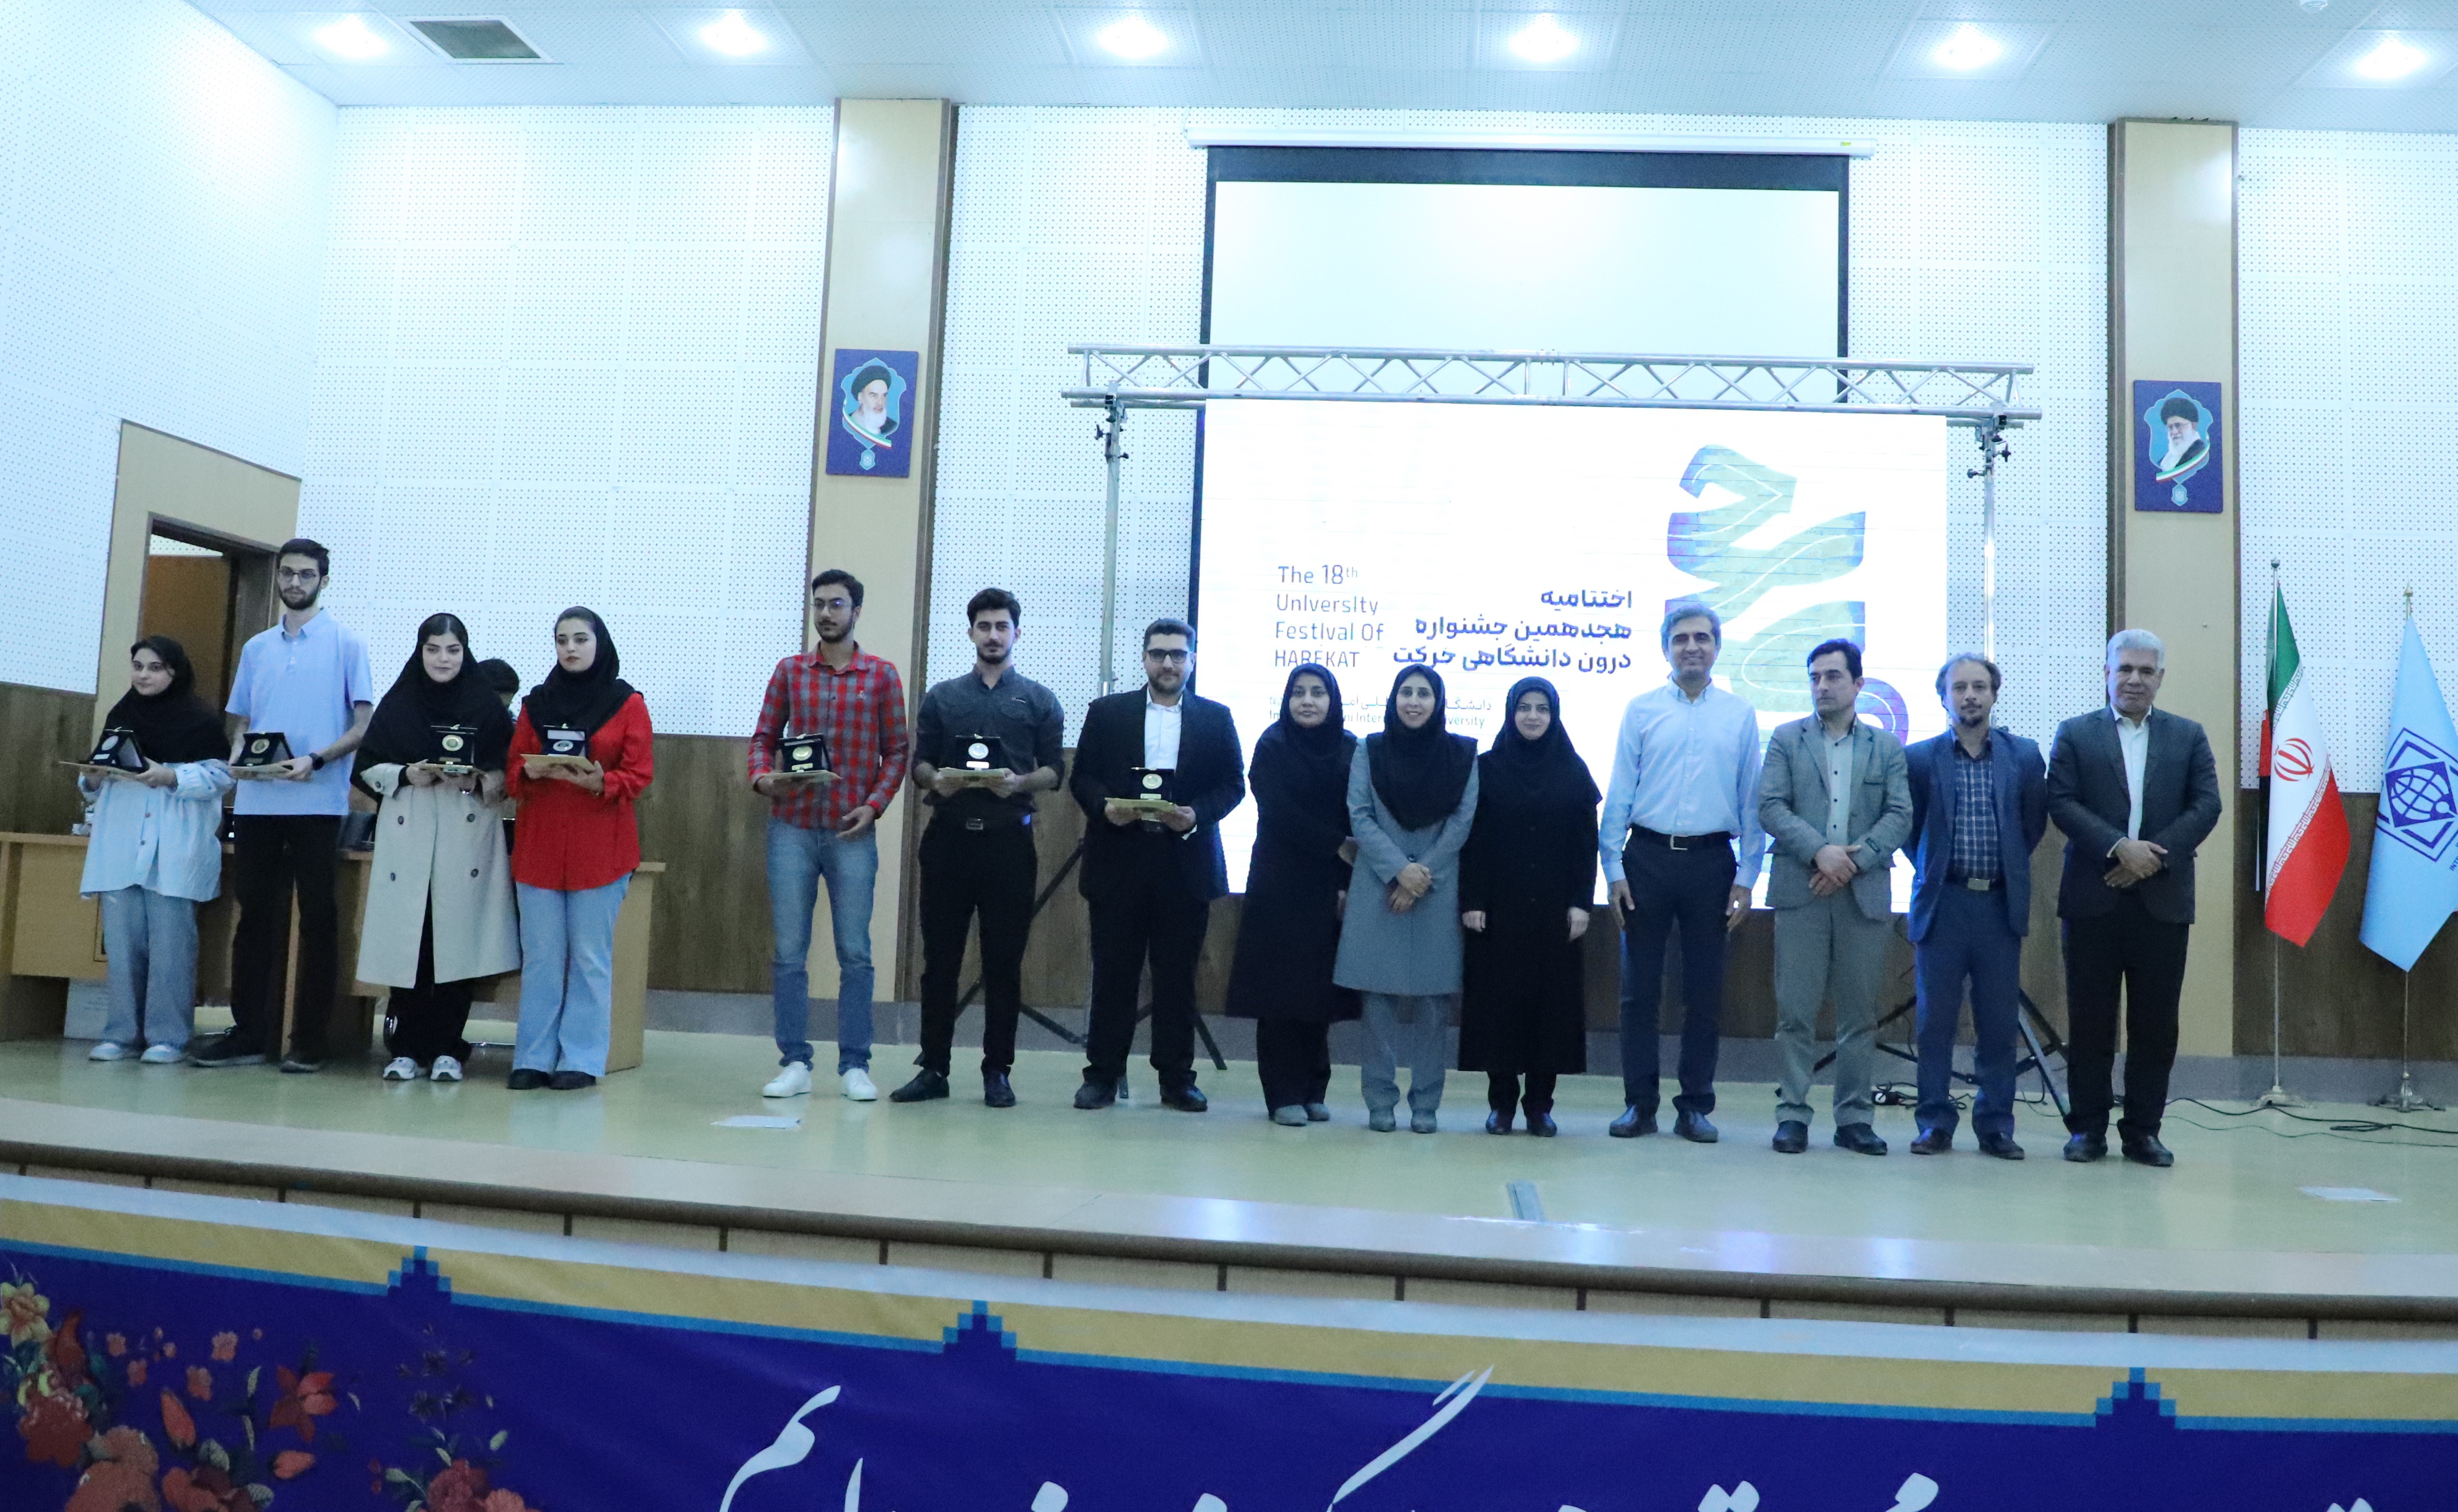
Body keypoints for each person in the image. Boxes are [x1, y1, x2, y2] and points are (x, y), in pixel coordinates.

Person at [193, 538, 375, 1073]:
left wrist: (315, 760)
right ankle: (250, 1033)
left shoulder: (346, 643)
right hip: (257, 802)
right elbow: (244, 723)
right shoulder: (257, 648)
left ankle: (310, 1039)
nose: (295, 583)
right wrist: (237, 758)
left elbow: (363, 726)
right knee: (254, 916)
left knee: (318, 918)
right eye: (288, 573)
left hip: (318, 801)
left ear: (324, 580)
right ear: (278, 576)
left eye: (306, 574)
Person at [2047, 628, 2222, 1167]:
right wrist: (2120, 847)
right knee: (2090, 1023)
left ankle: (2144, 1130)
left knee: (2156, 1025)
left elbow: (2207, 805)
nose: (2134, 679)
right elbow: (2061, 801)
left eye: (2146, 671)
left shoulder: (2188, 736)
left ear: (2161, 677)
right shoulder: (2075, 733)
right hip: (2093, 897)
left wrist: (2152, 857)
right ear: (2107, 673)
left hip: (2162, 902)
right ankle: (2088, 1129)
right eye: (2124, 669)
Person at [1598, 602, 1767, 1142]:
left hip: (1712, 863)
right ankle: (1639, 1104)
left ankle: (1695, 1106)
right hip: (1646, 859)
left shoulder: (1739, 715)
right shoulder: (1641, 710)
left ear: (1717, 647)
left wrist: (1748, 876)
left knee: (1704, 992)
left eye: (1702, 638)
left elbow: (1751, 798)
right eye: (1681, 639)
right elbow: (1620, 790)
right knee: (1638, 992)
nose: (1692, 646)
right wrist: (1612, 867)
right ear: (1666, 649)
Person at [893, 589, 1065, 1107]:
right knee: (939, 960)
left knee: (1003, 963)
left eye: (1002, 626)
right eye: (984, 626)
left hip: (1008, 843)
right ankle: (934, 1068)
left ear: (1017, 633)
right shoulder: (943, 697)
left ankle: (998, 1071)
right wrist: (936, 780)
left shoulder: (1039, 699)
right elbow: (919, 764)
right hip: (948, 841)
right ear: (970, 633)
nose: (993, 635)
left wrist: (1020, 783)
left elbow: (1055, 771)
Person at [748, 569, 911, 1103]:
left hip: (851, 831)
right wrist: (764, 778)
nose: (826, 613)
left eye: (836, 604)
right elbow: (763, 738)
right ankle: (794, 1061)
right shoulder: (790, 671)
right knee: (789, 952)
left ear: (856, 611)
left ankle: (855, 1064)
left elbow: (898, 751)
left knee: (855, 952)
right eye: (819, 604)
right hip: (791, 826)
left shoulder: (881, 675)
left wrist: (874, 805)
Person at [1070, 619, 1246, 1112]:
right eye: (1158, 654)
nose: (1168, 663)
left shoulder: (1216, 718)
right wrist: (1104, 807)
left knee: (1178, 979)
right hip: (1119, 858)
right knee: (1114, 975)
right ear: (1144, 658)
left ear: (1192, 660)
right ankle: (1102, 1076)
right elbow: (1082, 777)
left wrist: (1197, 815)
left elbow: (1234, 784)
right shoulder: (1107, 713)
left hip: (1183, 861)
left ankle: (1177, 1079)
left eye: (1177, 654)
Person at [1757, 639, 1912, 1156]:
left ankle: (1854, 1118)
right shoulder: (1787, 739)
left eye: (1833, 676)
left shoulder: (1885, 746)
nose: (1822, 686)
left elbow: (1900, 814)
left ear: (1858, 684)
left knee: (1859, 1016)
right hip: (1801, 890)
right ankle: (1792, 1114)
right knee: (1795, 1013)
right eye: (1815, 677)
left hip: (1862, 894)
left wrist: (1851, 863)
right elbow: (1771, 806)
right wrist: (1820, 852)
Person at [352, 614, 520, 1084]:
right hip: (411, 832)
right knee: (413, 941)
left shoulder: (485, 706)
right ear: (420, 652)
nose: (443, 659)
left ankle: (450, 1047)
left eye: (452, 650)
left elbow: (508, 773)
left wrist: (479, 779)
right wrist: (408, 774)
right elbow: (366, 767)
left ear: (465, 653)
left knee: (457, 944)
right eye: (433, 649)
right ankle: (406, 1047)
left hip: (466, 837)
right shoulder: (399, 702)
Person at [1903, 654, 2048, 1159]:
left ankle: (1995, 1125)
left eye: (1980, 687)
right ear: (1943, 696)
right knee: (1934, 1023)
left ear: (1994, 694)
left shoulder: (2024, 755)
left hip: (1998, 905)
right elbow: (1912, 833)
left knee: (1998, 1022)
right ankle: (1934, 1123)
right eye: (1960, 687)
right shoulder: (1920, 759)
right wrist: (1937, 871)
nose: (1970, 695)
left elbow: (2031, 827)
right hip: (1943, 903)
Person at [503, 608, 654, 1091]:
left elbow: (640, 773)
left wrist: (601, 781)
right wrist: (530, 771)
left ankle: (582, 1059)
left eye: (580, 639)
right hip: (540, 846)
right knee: (542, 958)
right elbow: (511, 772)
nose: (570, 648)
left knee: (590, 958)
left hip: (600, 849)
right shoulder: (537, 703)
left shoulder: (627, 703)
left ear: (599, 643)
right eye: (562, 640)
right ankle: (533, 1057)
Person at [1335, 664, 1479, 1134]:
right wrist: (1400, 870)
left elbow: (1462, 822)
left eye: (1424, 694)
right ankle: (1379, 1100)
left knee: (1435, 1004)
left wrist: (1420, 876)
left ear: (1438, 702)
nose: (1414, 702)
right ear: (1394, 699)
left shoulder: (1463, 754)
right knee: (1377, 999)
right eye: (1407, 692)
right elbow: (1359, 814)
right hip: (1380, 883)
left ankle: (1426, 1104)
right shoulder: (1370, 749)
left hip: (1437, 887)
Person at [77, 637, 234, 1064]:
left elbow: (222, 777)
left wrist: (172, 777)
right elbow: (96, 779)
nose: (143, 675)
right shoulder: (122, 715)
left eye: (155, 668)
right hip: (122, 844)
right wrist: (91, 778)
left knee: (171, 950)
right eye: (138, 666)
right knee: (123, 949)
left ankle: (169, 1037)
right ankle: (121, 1034)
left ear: (174, 673)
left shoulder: (201, 721)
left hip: (173, 847)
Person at [1459, 677, 1599, 1137]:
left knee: (1550, 1011)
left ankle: (1540, 1106)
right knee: (1498, 1008)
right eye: (1525, 707)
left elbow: (1586, 844)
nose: (1533, 716)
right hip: (1499, 912)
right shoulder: (1486, 767)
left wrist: (1581, 903)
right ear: (1510, 712)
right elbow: (1472, 841)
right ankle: (1501, 1105)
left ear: (1554, 715)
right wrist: (1472, 900)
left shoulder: (1573, 770)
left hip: (1555, 913)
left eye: (1542, 708)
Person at [1224, 664, 1360, 1125]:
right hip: (1280, 882)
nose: (1307, 700)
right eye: (1298, 692)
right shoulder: (1272, 744)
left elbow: (1357, 814)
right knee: (1280, 991)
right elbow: (1278, 810)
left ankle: (1314, 1088)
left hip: (1331, 883)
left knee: (1320, 991)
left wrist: (1346, 881)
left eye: (1318, 693)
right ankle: (1282, 1093)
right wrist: (1335, 844)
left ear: (1332, 700)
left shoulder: (1351, 748)